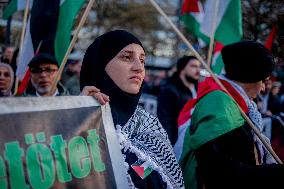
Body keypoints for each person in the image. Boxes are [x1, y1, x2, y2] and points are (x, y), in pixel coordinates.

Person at [80, 30, 184, 189]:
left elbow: (151, 175)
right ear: (100, 64)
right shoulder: (71, 120)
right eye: (127, 57)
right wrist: (77, 115)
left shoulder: (148, 125)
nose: (139, 68)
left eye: (142, 60)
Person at [178, 41, 284, 189]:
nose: (262, 87)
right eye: (263, 80)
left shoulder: (233, 101)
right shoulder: (219, 105)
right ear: (249, 77)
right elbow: (218, 173)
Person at [157, 56, 201, 145]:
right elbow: (166, 121)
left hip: (193, 141)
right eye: (193, 66)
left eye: (199, 66)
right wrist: (168, 146)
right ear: (182, 69)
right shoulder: (170, 91)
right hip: (177, 142)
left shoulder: (199, 89)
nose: (198, 70)